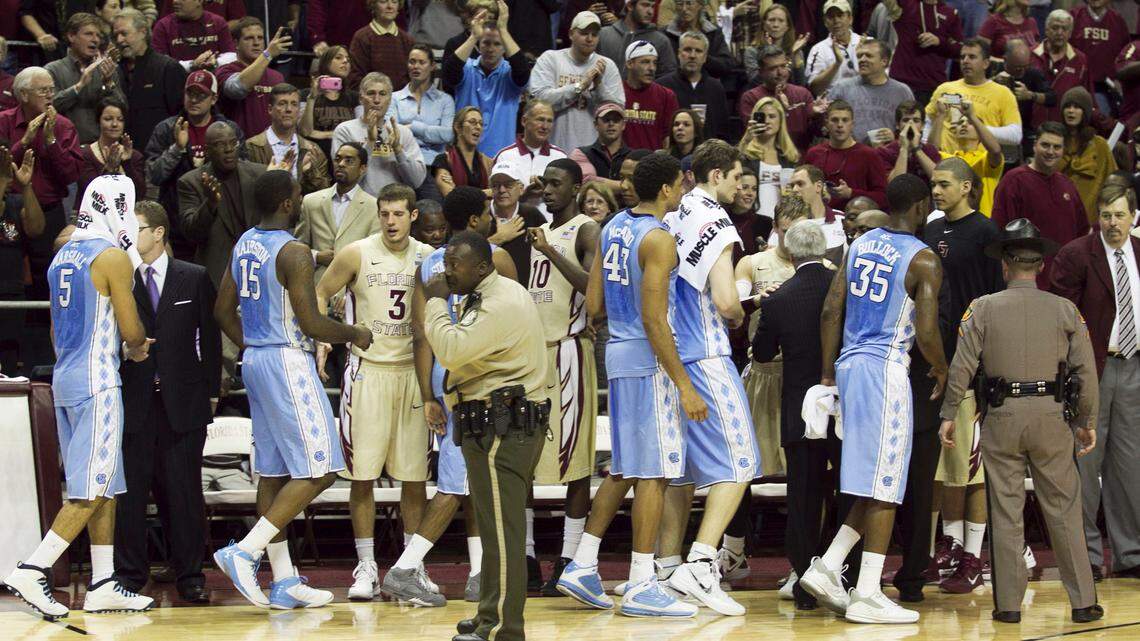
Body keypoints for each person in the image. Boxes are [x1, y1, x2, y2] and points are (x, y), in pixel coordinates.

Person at [212, 170, 373, 610]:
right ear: (287, 203)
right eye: (299, 194)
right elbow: (312, 324)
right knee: (321, 468)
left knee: (274, 470)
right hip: (287, 360)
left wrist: (255, 343)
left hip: (256, 361)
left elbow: (222, 311)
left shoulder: (245, 241)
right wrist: (354, 332)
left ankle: (283, 580)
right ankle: (245, 550)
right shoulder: (294, 252)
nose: (302, 199)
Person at [3, 175, 155, 619]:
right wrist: (139, 347)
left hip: (65, 376)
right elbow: (131, 331)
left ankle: (104, 583)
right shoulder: (111, 257)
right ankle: (34, 568)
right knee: (91, 489)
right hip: (98, 380)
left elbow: (53, 329)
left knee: (104, 485)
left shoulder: (60, 256)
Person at [557, 152, 699, 618]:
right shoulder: (658, 239)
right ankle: (641, 581)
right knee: (655, 473)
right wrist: (684, 383)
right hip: (648, 359)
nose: (683, 190)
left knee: (627, 467)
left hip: (617, 353)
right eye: (680, 184)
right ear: (665, 190)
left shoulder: (615, 224)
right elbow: (656, 319)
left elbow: (593, 302)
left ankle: (582, 562)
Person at [941, 218, 1102, 624]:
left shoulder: (982, 308)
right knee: (1064, 509)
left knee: (1006, 510)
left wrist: (948, 415)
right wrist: (1086, 420)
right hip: (1051, 415)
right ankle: (1083, 601)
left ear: (1005, 265)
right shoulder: (1066, 309)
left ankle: (1009, 606)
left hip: (1003, 416)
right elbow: (1085, 372)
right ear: (1041, 265)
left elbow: (962, 367)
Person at [802, 173, 947, 624]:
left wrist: (828, 375)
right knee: (887, 484)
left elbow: (830, 308)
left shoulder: (860, 244)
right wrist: (942, 367)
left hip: (849, 365)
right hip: (885, 368)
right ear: (922, 206)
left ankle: (828, 566)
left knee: (871, 477)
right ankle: (866, 592)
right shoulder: (923, 260)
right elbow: (924, 331)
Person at [416, 228, 545, 641]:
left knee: (504, 533)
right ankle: (489, 613)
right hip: (489, 420)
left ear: (483, 266)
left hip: (503, 424)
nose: (447, 272)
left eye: (456, 265)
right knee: (492, 529)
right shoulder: (483, 294)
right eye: (445, 263)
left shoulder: (500, 301)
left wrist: (434, 300)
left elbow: (451, 350)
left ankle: (504, 628)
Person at [649, 141, 760, 616]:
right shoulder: (716, 222)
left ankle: (668, 569)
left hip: (671, 356)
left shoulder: (672, 215)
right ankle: (700, 563)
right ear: (716, 176)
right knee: (740, 465)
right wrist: (745, 304)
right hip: (708, 356)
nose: (740, 188)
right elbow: (725, 302)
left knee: (683, 474)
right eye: (737, 178)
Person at [313, 183, 437, 603]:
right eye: (384, 213)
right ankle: (366, 565)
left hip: (413, 375)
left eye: (399, 214)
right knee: (362, 476)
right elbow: (319, 291)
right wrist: (326, 336)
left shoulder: (426, 256)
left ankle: (409, 567)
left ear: (413, 216)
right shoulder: (356, 252)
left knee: (413, 479)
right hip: (367, 372)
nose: (390, 221)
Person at [114, 200, 221, 604]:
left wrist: (212, 390)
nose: (129, 235)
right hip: (134, 401)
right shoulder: (120, 277)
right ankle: (129, 574)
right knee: (132, 494)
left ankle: (190, 574)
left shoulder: (192, 277)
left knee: (184, 493)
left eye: (136, 228)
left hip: (184, 402)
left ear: (158, 232)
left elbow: (210, 339)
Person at [922, 157, 1005, 595]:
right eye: (933, 184)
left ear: (968, 187)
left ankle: (974, 554)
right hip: (937, 360)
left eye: (944, 184)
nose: (936, 190)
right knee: (944, 466)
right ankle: (951, 545)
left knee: (971, 468)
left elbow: (999, 300)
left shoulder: (988, 233)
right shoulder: (931, 232)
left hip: (974, 364)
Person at [1051, 182, 1140, 582]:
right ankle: (1086, 554)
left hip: (1135, 368)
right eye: (1106, 215)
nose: (1113, 222)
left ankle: (1130, 554)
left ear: (1133, 216)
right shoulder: (1075, 255)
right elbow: (1062, 319)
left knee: (1130, 467)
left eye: (1120, 214)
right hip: (1092, 371)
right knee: (1085, 465)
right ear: (1096, 217)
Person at [751, 219, 840, 610]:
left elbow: (762, 354)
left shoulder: (778, 297)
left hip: (799, 407)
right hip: (843, 403)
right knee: (844, 489)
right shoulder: (843, 289)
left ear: (789, 252)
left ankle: (804, 582)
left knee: (802, 496)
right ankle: (840, 571)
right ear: (822, 249)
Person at [526, 159, 601, 594]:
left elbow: (594, 291)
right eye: (545, 183)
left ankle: (569, 557)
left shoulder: (586, 231)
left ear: (576, 188)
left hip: (570, 351)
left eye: (557, 184)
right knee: (525, 459)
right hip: (531, 357)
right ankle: (528, 555)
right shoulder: (537, 231)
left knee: (574, 464)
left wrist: (551, 251)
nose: (548, 190)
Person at [145, 70, 243, 256]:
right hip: (176, 225)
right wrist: (177, 149)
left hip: (219, 222)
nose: (194, 100)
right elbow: (154, 175)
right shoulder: (166, 129)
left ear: (214, 98)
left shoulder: (229, 131)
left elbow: (240, 171)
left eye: (201, 95)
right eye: (190, 94)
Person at [992, 121, 1090, 286]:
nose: (1051, 151)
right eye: (1045, 145)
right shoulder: (1014, 181)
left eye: (1057, 147)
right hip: (1027, 283)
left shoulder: (1068, 185)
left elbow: (1081, 233)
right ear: (1035, 145)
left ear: (1063, 150)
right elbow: (1000, 232)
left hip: (1066, 283)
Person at [178, 121, 267, 286]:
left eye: (233, 143)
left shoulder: (259, 174)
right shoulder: (191, 182)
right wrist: (210, 204)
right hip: (217, 277)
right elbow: (191, 232)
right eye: (220, 145)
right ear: (207, 150)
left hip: (259, 269)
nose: (229, 149)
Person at [443, 1, 530, 157]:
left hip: (502, 157)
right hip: (464, 156)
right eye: (486, 43)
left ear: (505, 47)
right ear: (479, 46)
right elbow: (448, 73)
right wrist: (473, 36)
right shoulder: (467, 69)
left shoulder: (510, 73)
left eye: (497, 44)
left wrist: (503, 29)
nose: (491, 49)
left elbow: (523, 71)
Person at [530, 11, 624, 153]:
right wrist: (580, 86)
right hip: (552, 149)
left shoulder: (607, 65)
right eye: (584, 33)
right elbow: (539, 101)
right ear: (570, 34)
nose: (589, 38)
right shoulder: (550, 59)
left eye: (594, 34)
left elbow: (618, 110)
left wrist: (599, 87)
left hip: (593, 153)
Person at [331, 71, 427, 196]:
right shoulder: (345, 130)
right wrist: (370, 143)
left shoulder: (402, 132)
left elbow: (416, 181)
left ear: (390, 99)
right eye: (371, 93)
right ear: (361, 98)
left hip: (394, 206)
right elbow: (345, 180)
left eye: (382, 94)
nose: (376, 100)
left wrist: (398, 151)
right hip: (358, 203)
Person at [295, 142, 377, 285]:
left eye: (349, 160)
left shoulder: (374, 207)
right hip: (316, 287)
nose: (341, 164)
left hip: (354, 291)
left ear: (362, 168)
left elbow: (375, 256)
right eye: (338, 159)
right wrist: (316, 257)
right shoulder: (311, 202)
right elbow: (297, 248)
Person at [925, 39, 1022, 154]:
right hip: (945, 161)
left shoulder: (1003, 93)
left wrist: (979, 130)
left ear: (986, 63)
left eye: (972, 57)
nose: (965, 61)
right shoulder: (945, 89)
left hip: (981, 164)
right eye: (962, 57)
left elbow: (1015, 135)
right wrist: (927, 149)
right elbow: (927, 122)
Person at [113, 9, 188, 151]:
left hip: (160, 156)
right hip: (126, 156)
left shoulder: (168, 68)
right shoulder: (114, 72)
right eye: (115, 35)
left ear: (142, 32)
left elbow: (181, 117)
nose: (119, 40)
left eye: (124, 33)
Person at [46, 13, 125, 144]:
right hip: (67, 148)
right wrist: (78, 87)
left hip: (102, 149)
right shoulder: (52, 70)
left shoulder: (107, 70)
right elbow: (48, 108)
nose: (95, 40)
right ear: (71, 36)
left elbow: (122, 108)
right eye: (88, 34)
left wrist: (109, 83)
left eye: (98, 35)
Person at [245, 83, 331, 196]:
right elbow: (248, 192)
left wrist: (310, 172)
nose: (289, 109)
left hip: (301, 212)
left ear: (299, 109)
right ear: (270, 109)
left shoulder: (313, 150)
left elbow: (323, 195)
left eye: (294, 104)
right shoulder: (252, 146)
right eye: (282, 104)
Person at [827, 39, 915, 146]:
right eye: (859, 56)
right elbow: (826, 124)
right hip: (850, 153)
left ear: (884, 61)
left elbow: (913, 126)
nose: (862, 59)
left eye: (868, 56)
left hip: (889, 154)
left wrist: (895, 137)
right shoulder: (842, 88)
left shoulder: (902, 91)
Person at [0, 148, 41, 375]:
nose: (9, 176)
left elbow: (36, 228)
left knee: (8, 362)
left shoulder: (16, 203)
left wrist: (26, 186)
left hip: (13, 295)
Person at [803, 100, 888, 210]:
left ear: (852, 124)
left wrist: (851, 193)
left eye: (845, 120)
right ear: (826, 123)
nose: (840, 125)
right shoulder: (814, 154)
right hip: (819, 219)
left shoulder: (869, 155)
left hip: (857, 222)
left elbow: (883, 198)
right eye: (835, 120)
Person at [928, 95, 1005, 216]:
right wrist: (941, 114)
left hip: (982, 221)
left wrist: (971, 115)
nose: (964, 124)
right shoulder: (949, 160)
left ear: (980, 133)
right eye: (960, 122)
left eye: (969, 123)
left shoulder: (984, 159)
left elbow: (995, 151)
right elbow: (930, 152)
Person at [880, 0, 964, 107]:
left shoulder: (950, 13)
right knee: (897, 122)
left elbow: (960, 50)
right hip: (901, 81)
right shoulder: (905, 5)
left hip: (933, 84)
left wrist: (939, 41)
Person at [215, 16, 288, 137]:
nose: (256, 43)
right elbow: (237, 89)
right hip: (238, 148)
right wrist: (268, 54)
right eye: (249, 38)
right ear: (236, 44)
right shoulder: (224, 72)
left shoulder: (277, 77)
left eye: (260, 38)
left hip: (269, 148)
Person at [738, 44, 819, 152]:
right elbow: (759, 134)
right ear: (761, 72)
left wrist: (819, 116)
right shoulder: (751, 98)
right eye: (773, 68)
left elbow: (817, 132)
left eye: (783, 66)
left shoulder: (803, 94)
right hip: (766, 157)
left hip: (800, 158)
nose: (780, 72)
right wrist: (778, 107)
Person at [76, 98, 147, 215]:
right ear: (98, 121)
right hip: (91, 217)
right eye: (108, 119)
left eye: (120, 120)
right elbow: (93, 193)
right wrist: (109, 168)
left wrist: (126, 163)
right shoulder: (85, 154)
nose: (114, 124)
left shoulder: (135, 156)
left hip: (124, 217)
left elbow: (140, 194)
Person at [1059, 87, 1117, 224]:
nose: (1071, 111)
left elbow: (1113, 184)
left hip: (1090, 220)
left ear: (1085, 112)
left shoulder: (1099, 145)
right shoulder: (1054, 141)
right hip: (1057, 216)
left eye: (1077, 107)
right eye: (1067, 106)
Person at [657, 31, 728, 142]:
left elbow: (722, 131)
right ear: (679, 54)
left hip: (708, 155)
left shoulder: (716, 88)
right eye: (688, 50)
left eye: (698, 51)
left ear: (705, 57)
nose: (692, 56)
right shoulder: (662, 86)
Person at [391, 43, 455, 166]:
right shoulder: (394, 98)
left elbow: (448, 135)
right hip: (403, 162)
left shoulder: (445, 100)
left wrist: (412, 127)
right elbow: (393, 133)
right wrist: (433, 136)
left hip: (434, 164)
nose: (416, 66)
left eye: (421, 62)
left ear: (432, 66)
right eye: (412, 62)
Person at [1030, 10, 1093, 128]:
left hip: (1065, 129)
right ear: (1046, 30)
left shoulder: (1080, 60)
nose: (1059, 33)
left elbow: (1087, 98)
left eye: (1064, 29)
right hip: (1032, 126)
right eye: (1055, 28)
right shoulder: (1030, 55)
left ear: (1070, 33)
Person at [739, 97, 799, 219]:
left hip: (782, 221)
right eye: (763, 116)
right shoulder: (746, 154)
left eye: (772, 116)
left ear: (780, 121)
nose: (767, 121)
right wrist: (746, 140)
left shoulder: (788, 156)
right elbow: (731, 171)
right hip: (751, 219)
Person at [994, 38, 1051, 161]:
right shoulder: (992, 70)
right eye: (1017, 67)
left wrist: (1030, 95)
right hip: (995, 129)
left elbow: (1052, 98)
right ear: (1005, 60)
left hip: (1024, 130)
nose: (1022, 71)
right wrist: (992, 84)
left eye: (1025, 66)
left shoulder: (1033, 74)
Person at [299, 45, 357, 162]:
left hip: (347, 157)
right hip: (315, 158)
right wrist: (312, 98)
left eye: (348, 59)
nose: (345, 61)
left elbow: (357, 133)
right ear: (326, 63)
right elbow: (305, 131)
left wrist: (318, 134)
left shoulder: (354, 97)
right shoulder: (305, 94)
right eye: (339, 57)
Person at [1071, 0, 1130, 115]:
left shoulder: (1117, 20)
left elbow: (1125, 55)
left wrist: (1119, 80)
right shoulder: (1074, 16)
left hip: (1107, 86)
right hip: (1078, 83)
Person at [492, 101, 568, 188]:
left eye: (549, 121)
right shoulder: (505, 156)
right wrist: (524, 195)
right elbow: (496, 194)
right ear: (524, 121)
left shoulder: (560, 157)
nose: (545, 126)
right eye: (540, 119)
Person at [620, 40, 678, 152]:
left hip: (653, 164)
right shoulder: (617, 93)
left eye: (654, 63)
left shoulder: (666, 96)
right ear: (629, 64)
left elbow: (669, 138)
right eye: (645, 62)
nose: (652, 68)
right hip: (623, 164)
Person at [785, 164, 849, 263]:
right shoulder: (785, 223)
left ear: (818, 186)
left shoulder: (842, 220)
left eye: (800, 184)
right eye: (792, 186)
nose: (795, 190)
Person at [596, 0, 676, 76]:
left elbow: (667, 78)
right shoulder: (603, 35)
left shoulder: (660, 41)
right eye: (645, 5)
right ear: (630, 6)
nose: (650, 12)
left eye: (652, 6)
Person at [348, 0, 415, 91]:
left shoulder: (407, 40)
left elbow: (413, 78)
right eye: (383, 1)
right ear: (373, 6)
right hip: (372, 100)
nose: (390, 6)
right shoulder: (362, 37)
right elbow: (355, 78)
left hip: (402, 102)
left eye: (394, 2)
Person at [151, 0, 237, 71]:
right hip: (177, 82)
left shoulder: (218, 22)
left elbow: (231, 55)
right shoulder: (163, 26)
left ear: (199, 1)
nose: (175, 1)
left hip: (213, 81)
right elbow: (159, 63)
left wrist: (215, 63)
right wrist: (192, 65)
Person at [569, 101, 631, 192]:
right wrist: (629, 186)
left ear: (623, 125)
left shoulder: (633, 156)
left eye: (616, 120)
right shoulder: (580, 154)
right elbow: (588, 182)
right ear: (596, 125)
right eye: (606, 120)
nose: (611, 124)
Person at [806, 0, 864, 96]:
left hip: (865, 101)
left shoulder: (867, 43)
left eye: (840, 15)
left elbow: (880, 79)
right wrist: (837, 64)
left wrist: (860, 59)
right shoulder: (818, 50)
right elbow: (814, 89)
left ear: (850, 18)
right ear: (825, 22)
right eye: (831, 17)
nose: (836, 20)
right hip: (833, 105)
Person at [662, 0, 733, 78]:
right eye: (680, 4)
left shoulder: (713, 33)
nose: (684, 8)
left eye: (689, 3)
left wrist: (701, 56)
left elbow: (726, 65)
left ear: (700, 5)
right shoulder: (665, 35)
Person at [432, 107, 492, 198]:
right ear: (457, 127)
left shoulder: (487, 162)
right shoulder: (444, 160)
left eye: (481, 124)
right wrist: (486, 193)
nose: (478, 127)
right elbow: (451, 196)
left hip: (483, 211)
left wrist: (457, 190)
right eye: (472, 122)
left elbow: (495, 193)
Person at [743, 4, 808, 87]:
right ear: (764, 25)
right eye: (771, 20)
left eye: (781, 21)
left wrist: (794, 55)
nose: (776, 25)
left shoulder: (796, 51)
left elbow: (801, 85)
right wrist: (768, 53)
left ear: (787, 26)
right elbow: (755, 83)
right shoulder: (752, 51)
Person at [879, 101, 941, 182]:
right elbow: (894, 184)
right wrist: (904, 149)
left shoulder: (930, 150)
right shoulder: (884, 152)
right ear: (897, 125)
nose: (910, 125)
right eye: (906, 120)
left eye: (916, 120)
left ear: (922, 126)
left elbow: (939, 178)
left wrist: (917, 149)